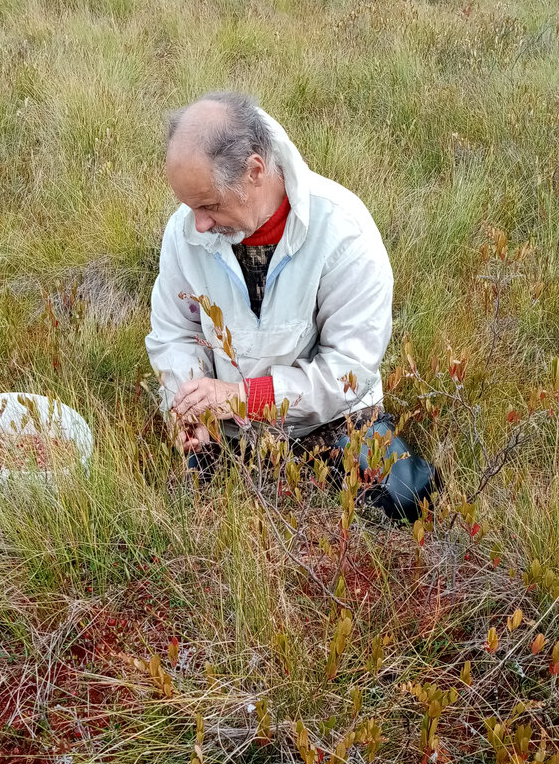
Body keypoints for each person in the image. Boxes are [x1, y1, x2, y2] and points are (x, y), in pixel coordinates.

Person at [144, 90, 437, 521]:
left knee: (407, 498)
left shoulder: (343, 231)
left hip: (328, 420)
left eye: (208, 205)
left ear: (255, 171)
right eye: (189, 206)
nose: (197, 224)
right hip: (225, 425)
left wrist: (245, 398)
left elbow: (348, 370)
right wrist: (189, 407)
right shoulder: (185, 231)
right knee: (192, 511)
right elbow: (174, 333)